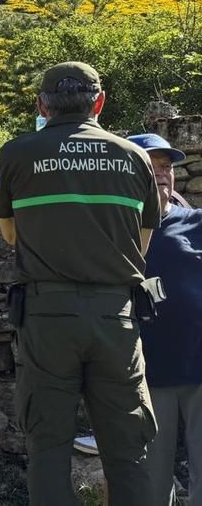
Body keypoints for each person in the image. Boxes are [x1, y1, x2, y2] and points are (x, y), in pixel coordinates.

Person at [0, 61, 160, 506]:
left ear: (41, 105)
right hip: (116, 318)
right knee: (130, 451)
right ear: (99, 103)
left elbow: (11, 235)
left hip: (47, 318)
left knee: (47, 448)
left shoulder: (16, 154)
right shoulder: (136, 156)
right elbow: (141, 243)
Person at [127, 133, 202, 506]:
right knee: (151, 487)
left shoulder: (196, 222)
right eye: (149, 166)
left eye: (167, 167)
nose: (161, 174)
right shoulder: (114, 233)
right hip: (146, 378)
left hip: (200, 372)